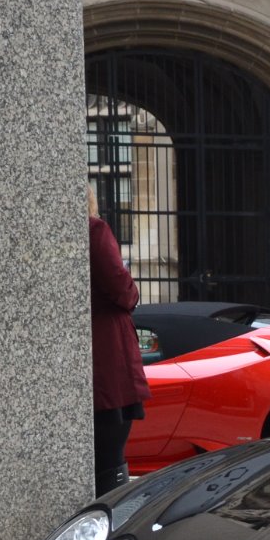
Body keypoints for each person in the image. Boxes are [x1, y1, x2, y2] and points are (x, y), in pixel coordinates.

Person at [88, 188, 151, 493]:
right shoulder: (95, 231)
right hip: (108, 358)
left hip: (96, 360)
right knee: (111, 456)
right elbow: (124, 291)